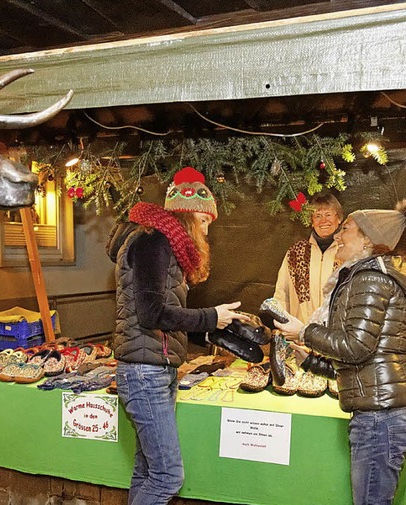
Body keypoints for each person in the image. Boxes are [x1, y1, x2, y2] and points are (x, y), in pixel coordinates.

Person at [106, 166, 249, 505]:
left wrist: (215, 325)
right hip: (145, 372)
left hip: (156, 368)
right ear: (186, 216)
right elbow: (152, 313)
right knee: (169, 475)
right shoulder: (153, 241)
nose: (207, 230)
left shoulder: (163, 244)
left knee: (147, 471)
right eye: (203, 221)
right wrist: (211, 317)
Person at [275, 201, 406, 505]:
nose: (337, 236)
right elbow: (366, 358)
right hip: (378, 411)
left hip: (379, 418)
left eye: (345, 228)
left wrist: (304, 331)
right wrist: (312, 361)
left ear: (368, 240)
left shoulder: (369, 278)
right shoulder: (369, 275)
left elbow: (356, 347)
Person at [273, 191, 344, 323]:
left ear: (338, 218)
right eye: (317, 216)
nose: (323, 221)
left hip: (335, 337)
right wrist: (283, 324)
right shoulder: (296, 253)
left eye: (328, 215)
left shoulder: (347, 252)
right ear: (311, 221)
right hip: (299, 336)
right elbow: (281, 294)